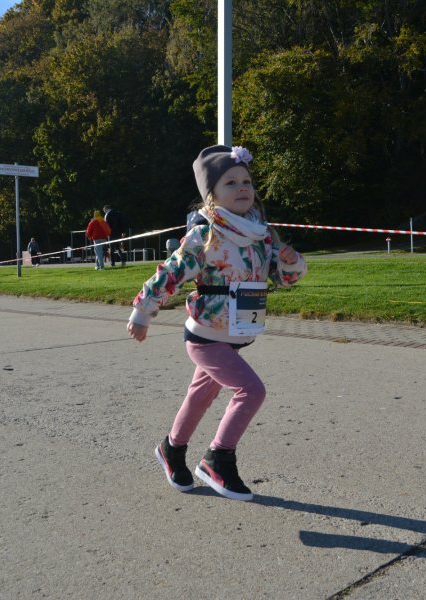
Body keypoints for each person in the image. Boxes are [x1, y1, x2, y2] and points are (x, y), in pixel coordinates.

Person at [127, 145, 306, 501]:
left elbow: (282, 279)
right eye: (230, 182)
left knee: (200, 397)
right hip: (206, 336)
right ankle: (218, 459)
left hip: (237, 332)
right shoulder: (206, 235)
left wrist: (290, 262)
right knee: (251, 391)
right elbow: (170, 274)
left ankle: (171, 449)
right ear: (211, 195)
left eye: (246, 181)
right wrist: (143, 312)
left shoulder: (261, 234)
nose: (242, 188)